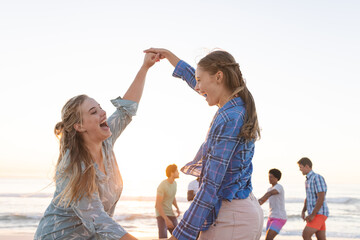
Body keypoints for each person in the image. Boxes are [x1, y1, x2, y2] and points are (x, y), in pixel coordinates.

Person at [34, 52, 159, 240]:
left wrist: (145, 67)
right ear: (79, 126)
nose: (102, 112)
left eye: (100, 107)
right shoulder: (73, 166)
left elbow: (126, 110)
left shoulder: (105, 143)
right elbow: (97, 219)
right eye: (94, 111)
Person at [144, 48, 263, 240]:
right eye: (197, 80)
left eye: (200, 80)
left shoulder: (229, 117)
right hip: (243, 212)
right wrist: (170, 57)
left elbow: (210, 186)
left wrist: (179, 236)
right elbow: (198, 82)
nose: (197, 87)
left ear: (219, 77)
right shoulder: (236, 105)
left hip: (230, 218)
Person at [297, 157, 329, 240]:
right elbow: (308, 197)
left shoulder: (317, 177)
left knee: (306, 235)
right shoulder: (307, 180)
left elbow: (321, 197)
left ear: (307, 166)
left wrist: (313, 215)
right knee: (321, 238)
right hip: (314, 213)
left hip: (319, 213)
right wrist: (304, 210)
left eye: (301, 167)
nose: (300, 170)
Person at [258, 169, 287, 240]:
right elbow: (264, 200)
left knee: (268, 238)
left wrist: (260, 200)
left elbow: (269, 194)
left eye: (271, 177)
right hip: (271, 217)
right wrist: (256, 205)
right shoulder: (269, 189)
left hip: (279, 217)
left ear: (276, 178)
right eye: (269, 177)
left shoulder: (279, 187)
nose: (269, 179)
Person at [155, 164, 181, 239]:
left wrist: (177, 208)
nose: (178, 173)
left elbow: (172, 197)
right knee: (163, 237)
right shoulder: (162, 185)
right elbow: (158, 205)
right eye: (176, 171)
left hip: (171, 213)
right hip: (161, 214)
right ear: (172, 173)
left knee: (178, 236)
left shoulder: (174, 184)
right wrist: (166, 219)